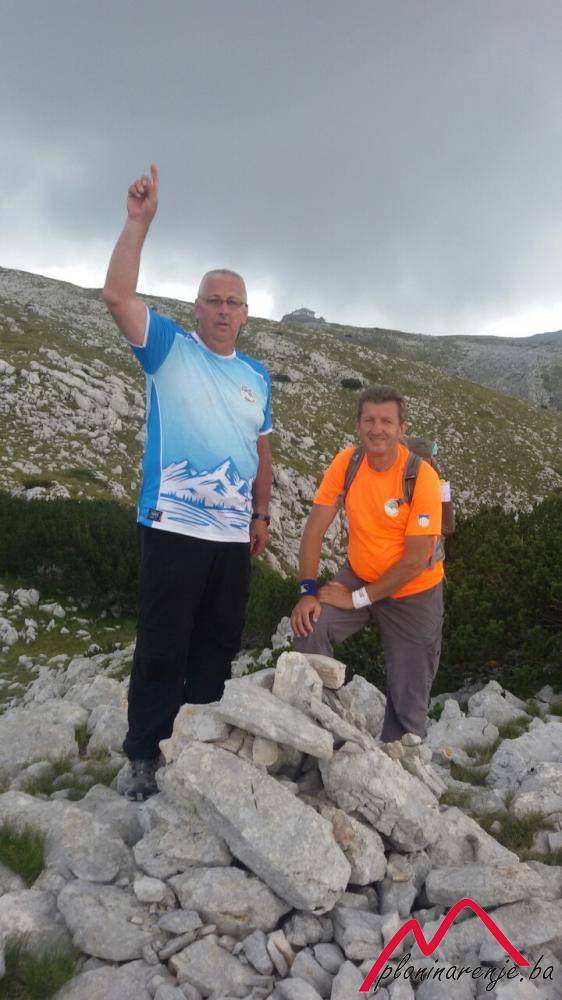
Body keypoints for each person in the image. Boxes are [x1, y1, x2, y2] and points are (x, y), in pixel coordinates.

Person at [103, 165, 272, 799]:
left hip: (232, 536)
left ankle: (198, 746)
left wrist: (260, 516)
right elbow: (117, 297)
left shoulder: (256, 376)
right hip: (172, 525)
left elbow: (261, 450)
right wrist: (137, 223)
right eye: (214, 300)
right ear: (196, 307)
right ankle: (145, 754)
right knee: (162, 643)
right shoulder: (169, 348)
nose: (223, 310)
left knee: (217, 645)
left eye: (234, 302)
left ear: (246, 314)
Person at [291, 385, 443, 744]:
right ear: (357, 425)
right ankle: (317, 728)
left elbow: (414, 561)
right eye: (369, 420)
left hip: (413, 591)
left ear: (402, 429)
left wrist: (356, 599)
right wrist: (307, 590)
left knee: (409, 698)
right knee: (310, 626)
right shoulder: (347, 463)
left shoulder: (421, 477)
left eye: (386, 421)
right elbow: (314, 529)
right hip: (359, 574)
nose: (377, 429)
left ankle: (399, 761)